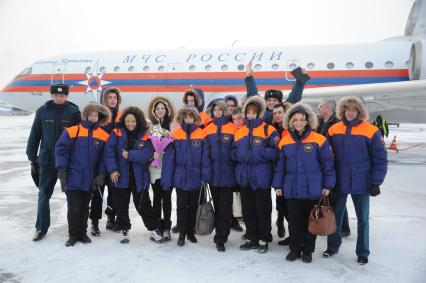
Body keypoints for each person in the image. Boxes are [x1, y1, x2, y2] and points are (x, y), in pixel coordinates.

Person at [323, 96, 388, 265]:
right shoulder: (333, 130)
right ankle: (332, 247)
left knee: (363, 220)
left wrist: (376, 182)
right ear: (342, 110)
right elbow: (325, 156)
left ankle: (363, 252)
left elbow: (380, 158)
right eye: (347, 109)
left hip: (362, 182)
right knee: (335, 218)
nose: (350, 112)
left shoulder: (371, 131)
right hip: (339, 182)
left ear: (360, 111)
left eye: (354, 109)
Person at [273, 103, 335, 263]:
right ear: (291, 122)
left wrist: (328, 185)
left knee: (310, 222)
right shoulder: (285, 142)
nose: (299, 122)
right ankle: (294, 249)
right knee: (294, 222)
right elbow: (280, 166)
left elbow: (328, 165)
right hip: (292, 189)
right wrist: (278, 184)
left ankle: (307, 250)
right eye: (295, 120)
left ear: (308, 122)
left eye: (302, 119)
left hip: (313, 189)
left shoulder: (319, 140)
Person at [26, 83, 81, 242]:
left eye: (62, 96)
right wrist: (32, 156)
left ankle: (74, 229)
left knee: (72, 196)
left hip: (67, 161)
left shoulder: (73, 112)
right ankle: (41, 228)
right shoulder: (43, 111)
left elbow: (79, 138)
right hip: (47, 160)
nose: (59, 98)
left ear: (67, 96)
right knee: (44, 194)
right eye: (56, 95)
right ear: (51, 95)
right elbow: (35, 134)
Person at [55, 103, 111, 246]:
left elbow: (105, 157)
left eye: (96, 115)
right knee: (74, 208)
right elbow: (61, 149)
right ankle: (73, 235)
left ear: (100, 117)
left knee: (85, 207)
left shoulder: (103, 135)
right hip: (73, 176)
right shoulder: (73, 131)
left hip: (90, 178)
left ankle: (83, 233)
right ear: (86, 115)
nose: (93, 117)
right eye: (90, 114)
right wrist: (61, 169)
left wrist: (102, 174)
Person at [104, 106, 159, 244]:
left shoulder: (145, 135)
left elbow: (147, 155)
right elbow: (109, 152)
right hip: (120, 175)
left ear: (138, 121)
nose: (130, 124)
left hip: (139, 177)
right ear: (124, 121)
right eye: (128, 121)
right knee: (121, 204)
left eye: (133, 121)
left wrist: (129, 155)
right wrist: (112, 170)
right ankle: (124, 229)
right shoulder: (116, 132)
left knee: (143, 204)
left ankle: (153, 228)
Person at [232, 96, 279, 253]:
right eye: (248, 112)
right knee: (248, 209)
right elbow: (233, 151)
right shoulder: (240, 131)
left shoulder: (269, 130)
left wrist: (261, 153)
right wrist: (238, 156)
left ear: (259, 113)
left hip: (261, 175)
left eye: (254, 112)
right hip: (244, 176)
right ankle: (252, 236)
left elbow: (276, 152)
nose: (251, 115)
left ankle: (264, 238)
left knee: (263, 209)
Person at [161, 107, 211, 247]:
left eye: (191, 116)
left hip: (196, 176)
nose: (188, 119)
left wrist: (206, 176)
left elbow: (205, 158)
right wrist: (167, 179)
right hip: (181, 176)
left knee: (194, 206)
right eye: (186, 116)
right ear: (182, 118)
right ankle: (182, 233)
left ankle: (191, 231)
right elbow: (169, 159)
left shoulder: (202, 134)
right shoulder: (175, 135)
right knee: (181, 206)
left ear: (195, 118)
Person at [204, 100, 238, 252]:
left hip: (228, 174)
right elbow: (205, 153)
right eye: (215, 110)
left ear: (224, 111)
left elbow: (237, 148)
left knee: (225, 206)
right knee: (217, 205)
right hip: (213, 175)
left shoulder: (232, 128)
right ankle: (219, 231)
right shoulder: (208, 128)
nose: (217, 112)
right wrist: (206, 173)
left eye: (220, 110)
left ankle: (221, 236)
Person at [89, 87, 123, 236]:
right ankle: (94, 223)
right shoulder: (99, 118)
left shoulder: (122, 116)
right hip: (100, 162)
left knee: (115, 193)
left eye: (115, 97)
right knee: (98, 193)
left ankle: (111, 219)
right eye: (109, 97)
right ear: (104, 100)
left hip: (116, 161)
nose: (112, 100)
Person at [317, 99, 351, 238]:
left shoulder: (336, 124)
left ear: (329, 109)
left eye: (321, 107)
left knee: (338, 200)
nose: (319, 109)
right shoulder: (322, 123)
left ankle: (343, 228)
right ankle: (337, 226)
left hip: (335, 167)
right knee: (332, 199)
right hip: (326, 165)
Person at [147, 96, 177, 242]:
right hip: (155, 168)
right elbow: (146, 145)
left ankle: (167, 228)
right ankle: (157, 226)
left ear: (166, 111)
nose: (160, 110)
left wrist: (170, 138)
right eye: (158, 108)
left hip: (168, 168)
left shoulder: (173, 126)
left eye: (163, 108)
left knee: (167, 199)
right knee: (156, 198)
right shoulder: (150, 127)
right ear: (154, 111)